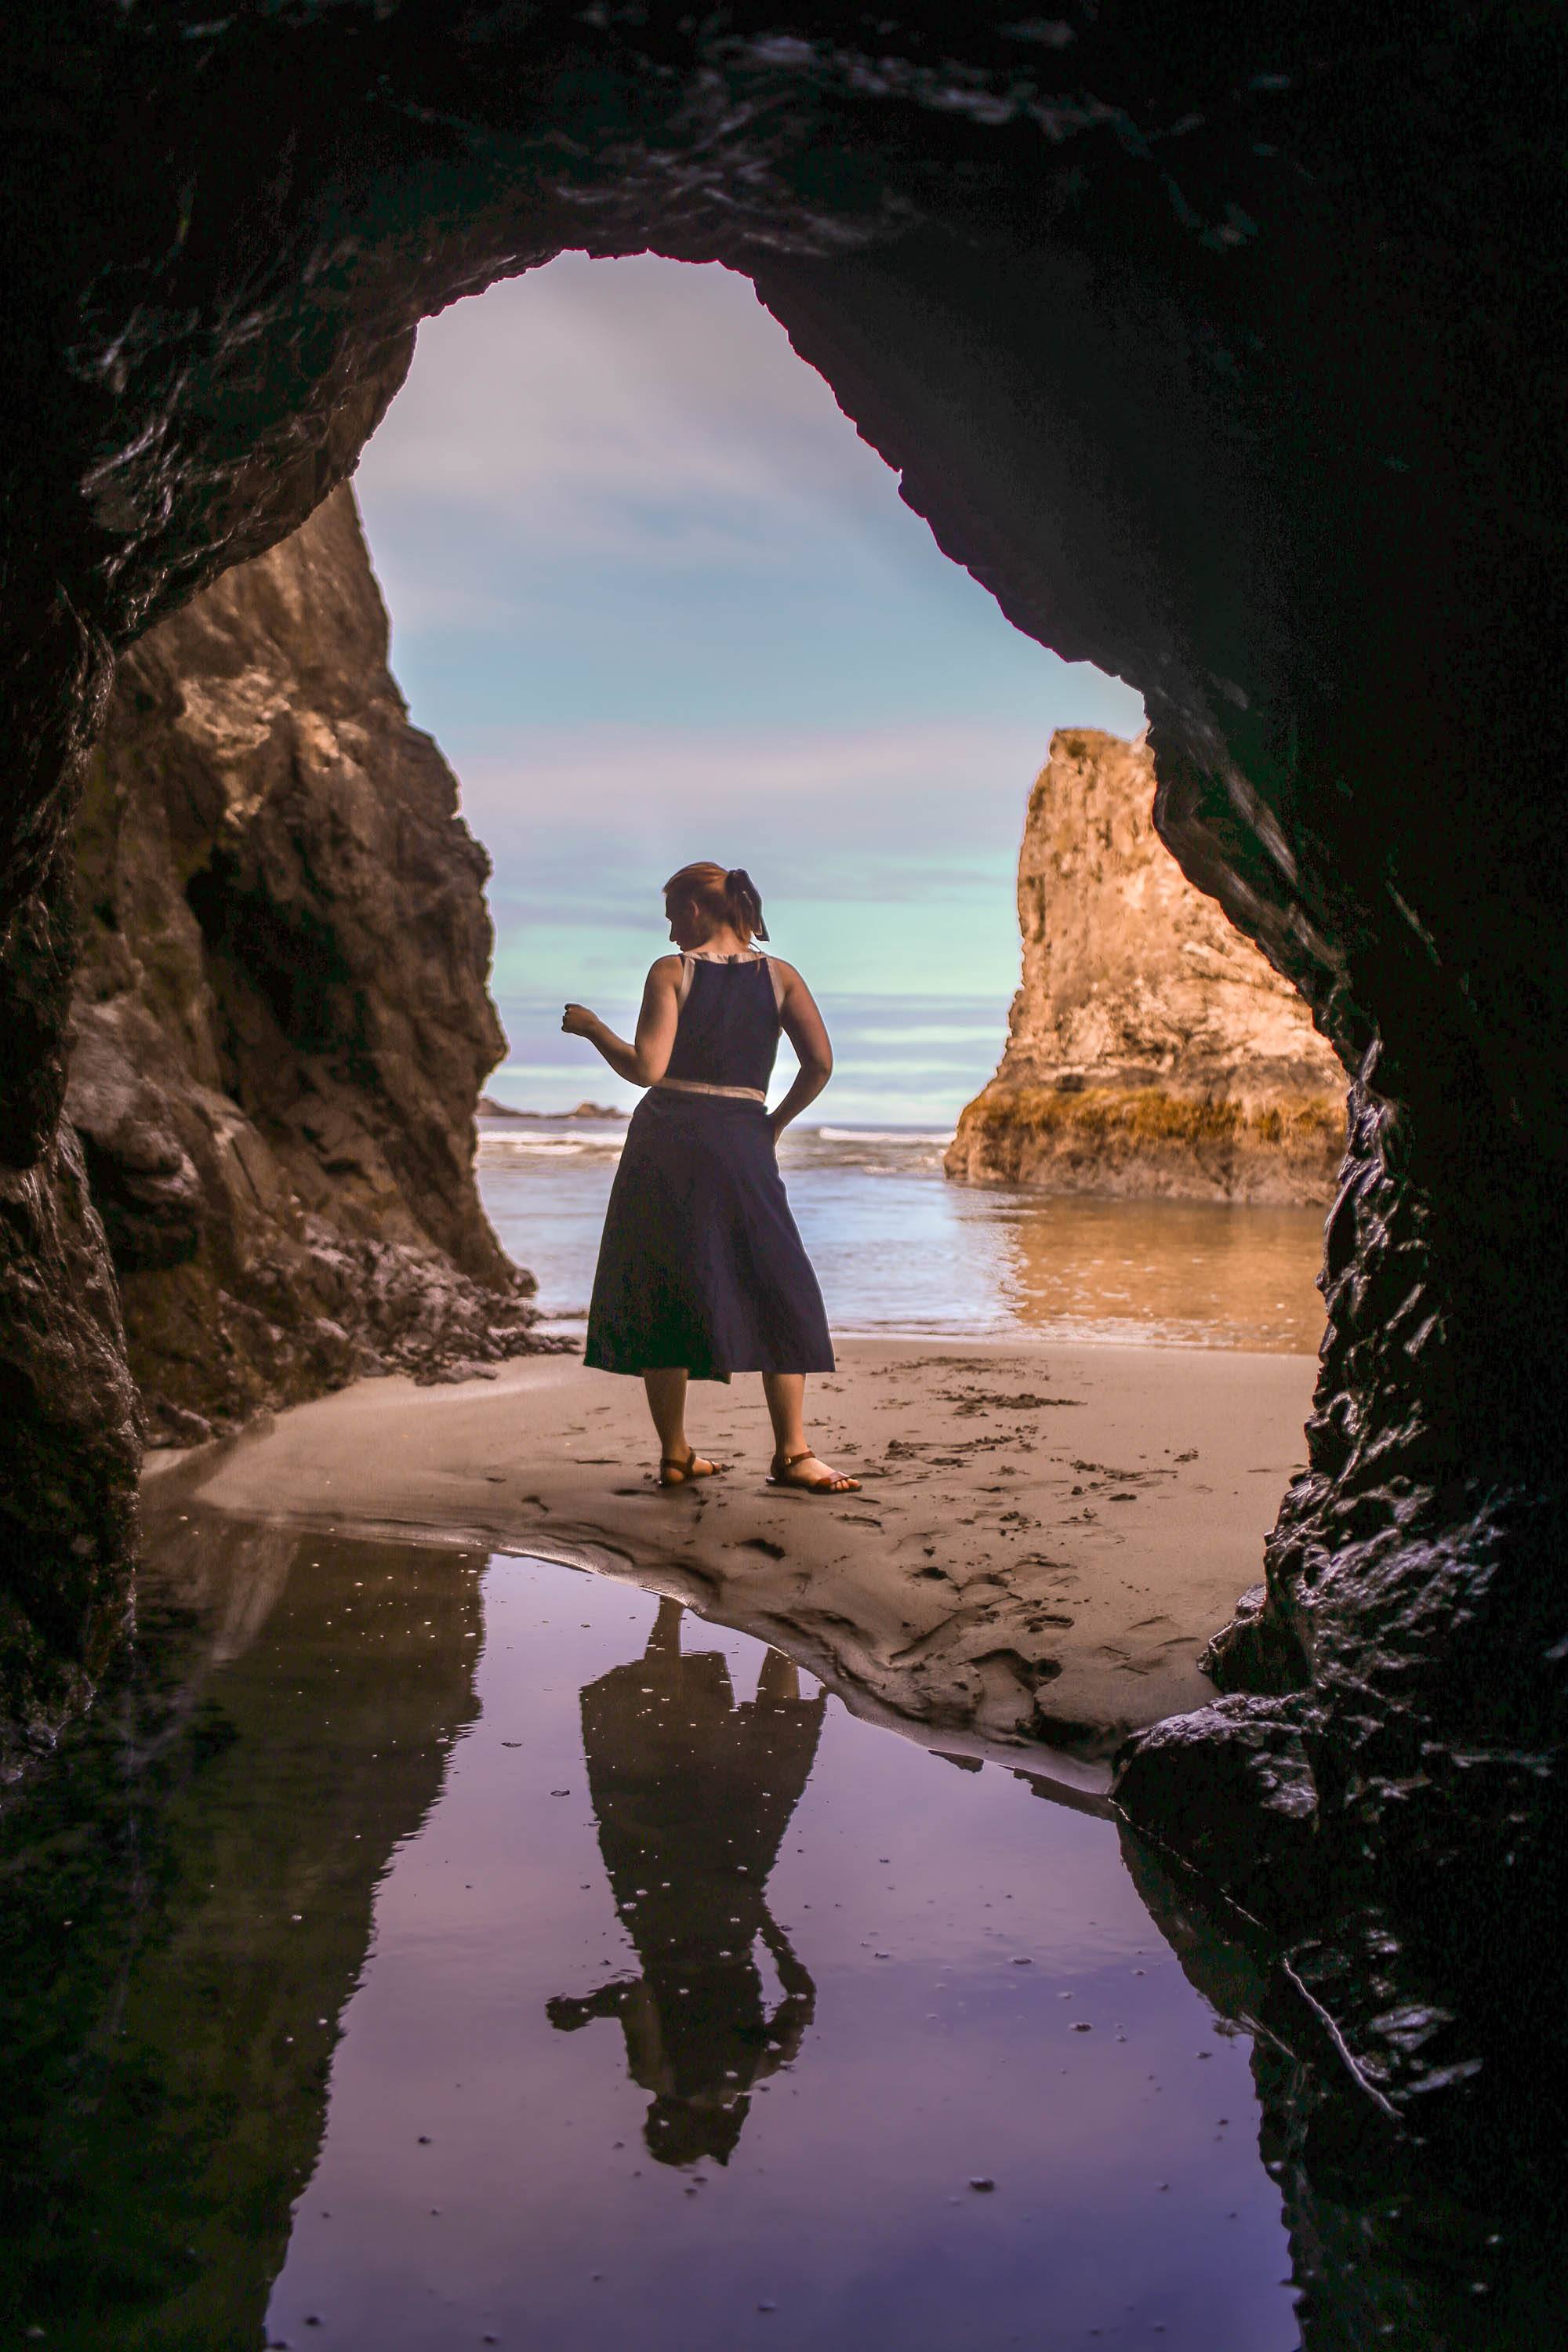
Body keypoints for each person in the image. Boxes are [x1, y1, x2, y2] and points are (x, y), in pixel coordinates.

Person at [562, 860, 859, 1493]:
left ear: (696, 909)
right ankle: (793, 1452)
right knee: (778, 1281)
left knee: (666, 1284)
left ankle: (675, 1453)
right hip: (742, 1137)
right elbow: (821, 1064)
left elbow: (647, 1067)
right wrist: (773, 1123)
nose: (670, 933)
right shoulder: (782, 977)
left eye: (673, 917)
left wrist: (592, 1030)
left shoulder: (672, 972)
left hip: (668, 1137)